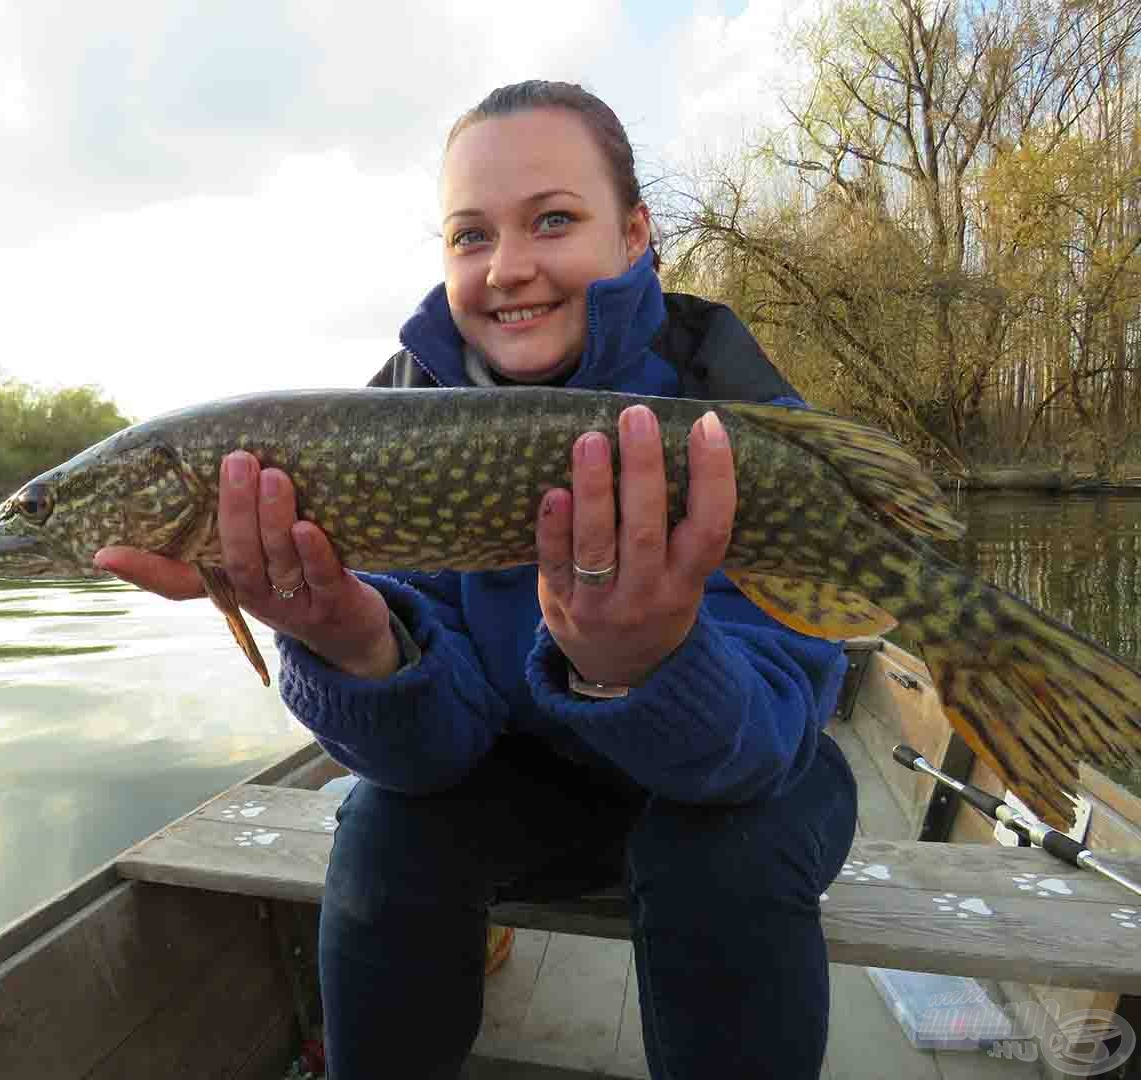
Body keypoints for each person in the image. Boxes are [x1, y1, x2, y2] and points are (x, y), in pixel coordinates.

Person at [96, 81, 859, 1080]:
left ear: (634, 233)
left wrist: (648, 667)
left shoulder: (725, 406)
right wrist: (355, 641)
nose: (507, 268)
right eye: (467, 235)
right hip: (525, 787)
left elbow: (771, 730)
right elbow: (428, 756)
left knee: (718, 856)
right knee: (380, 825)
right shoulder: (380, 436)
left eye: (551, 220)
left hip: (746, 776)